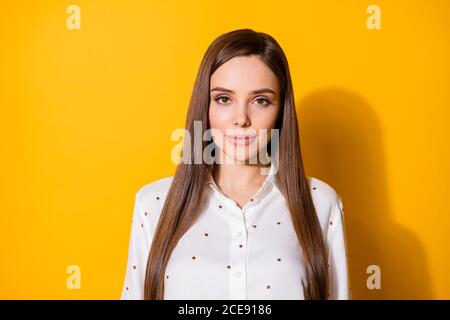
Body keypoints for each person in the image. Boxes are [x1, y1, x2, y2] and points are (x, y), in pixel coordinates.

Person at [121, 28, 350, 300]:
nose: (241, 118)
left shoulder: (320, 203)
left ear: (280, 112)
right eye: (224, 99)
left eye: (261, 100)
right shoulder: (153, 203)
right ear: (204, 106)